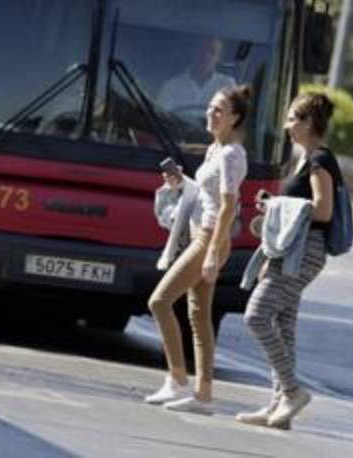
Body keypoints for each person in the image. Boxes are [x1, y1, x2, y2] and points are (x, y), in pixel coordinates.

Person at [143, 84, 252, 414]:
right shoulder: (215, 149)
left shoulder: (232, 155)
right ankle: (203, 396)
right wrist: (180, 185)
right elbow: (207, 197)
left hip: (208, 239)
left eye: (219, 110)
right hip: (197, 233)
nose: (211, 113)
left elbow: (228, 207)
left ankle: (177, 379)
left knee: (159, 301)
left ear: (234, 118)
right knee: (198, 316)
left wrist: (214, 253)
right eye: (210, 108)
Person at [237, 92, 339, 430]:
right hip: (290, 248)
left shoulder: (320, 160)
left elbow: (323, 210)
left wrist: (280, 206)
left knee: (256, 316)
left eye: (293, 118)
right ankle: (278, 408)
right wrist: (276, 205)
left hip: (304, 250)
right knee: (284, 326)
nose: (287, 125)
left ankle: (292, 392)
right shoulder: (305, 158)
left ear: (310, 122)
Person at [155, 37, 236, 112]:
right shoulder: (171, 87)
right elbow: (159, 118)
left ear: (218, 57)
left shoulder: (227, 86)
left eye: (212, 51)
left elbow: (234, 118)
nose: (206, 56)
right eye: (202, 50)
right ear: (192, 53)